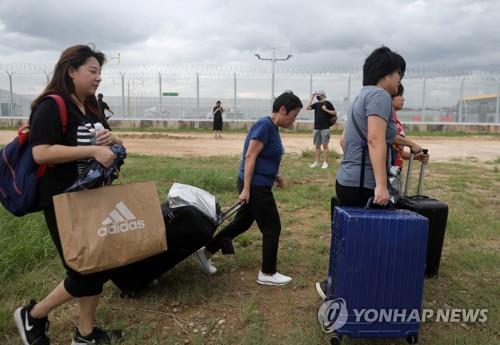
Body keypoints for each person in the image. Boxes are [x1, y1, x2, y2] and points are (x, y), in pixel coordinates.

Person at [14, 45, 124, 345]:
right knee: (84, 272)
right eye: (93, 71)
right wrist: (92, 149)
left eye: (100, 72)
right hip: (63, 202)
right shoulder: (52, 105)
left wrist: (112, 139)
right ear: (71, 70)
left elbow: (110, 143)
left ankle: (85, 336)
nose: (98, 77)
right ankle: (33, 315)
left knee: (98, 266)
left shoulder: (90, 105)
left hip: (92, 198)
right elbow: (41, 153)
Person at [315, 46, 405, 299]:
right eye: (398, 73)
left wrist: (411, 145)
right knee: (369, 240)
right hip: (364, 183)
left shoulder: (361, 96)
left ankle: (336, 286)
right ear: (386, 73)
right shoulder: (379, 97)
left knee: (352, 237)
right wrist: (381, 185)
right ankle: (344, 290)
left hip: (348, 178)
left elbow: (345, 140)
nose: (400, 80)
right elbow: (376, 140)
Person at [195, 92, 303, 286]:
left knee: (242, 222)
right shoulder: (265, 125)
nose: (294, 121)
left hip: (258, 182)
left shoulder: (272, 127)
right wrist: (246, 189)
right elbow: (250, 156)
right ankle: (268, 273)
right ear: (283, 110)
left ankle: (206, 252)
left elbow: (264, 156)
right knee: (272, 227)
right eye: (293, 116)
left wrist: (275, 175)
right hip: (255, 186)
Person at [306, 90, 337, 169]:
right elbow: (307, 108)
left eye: (318, 95)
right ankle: (316, 162)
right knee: (317, 146)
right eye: (316, 95)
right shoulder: (316, 104)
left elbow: (334, 113)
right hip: (316, 128)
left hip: (325, 128)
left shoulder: (327, 103)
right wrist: (311, 97)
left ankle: (325, 162)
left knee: (325, 145)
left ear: (322, 95)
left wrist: (325, 110)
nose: (317, 96)